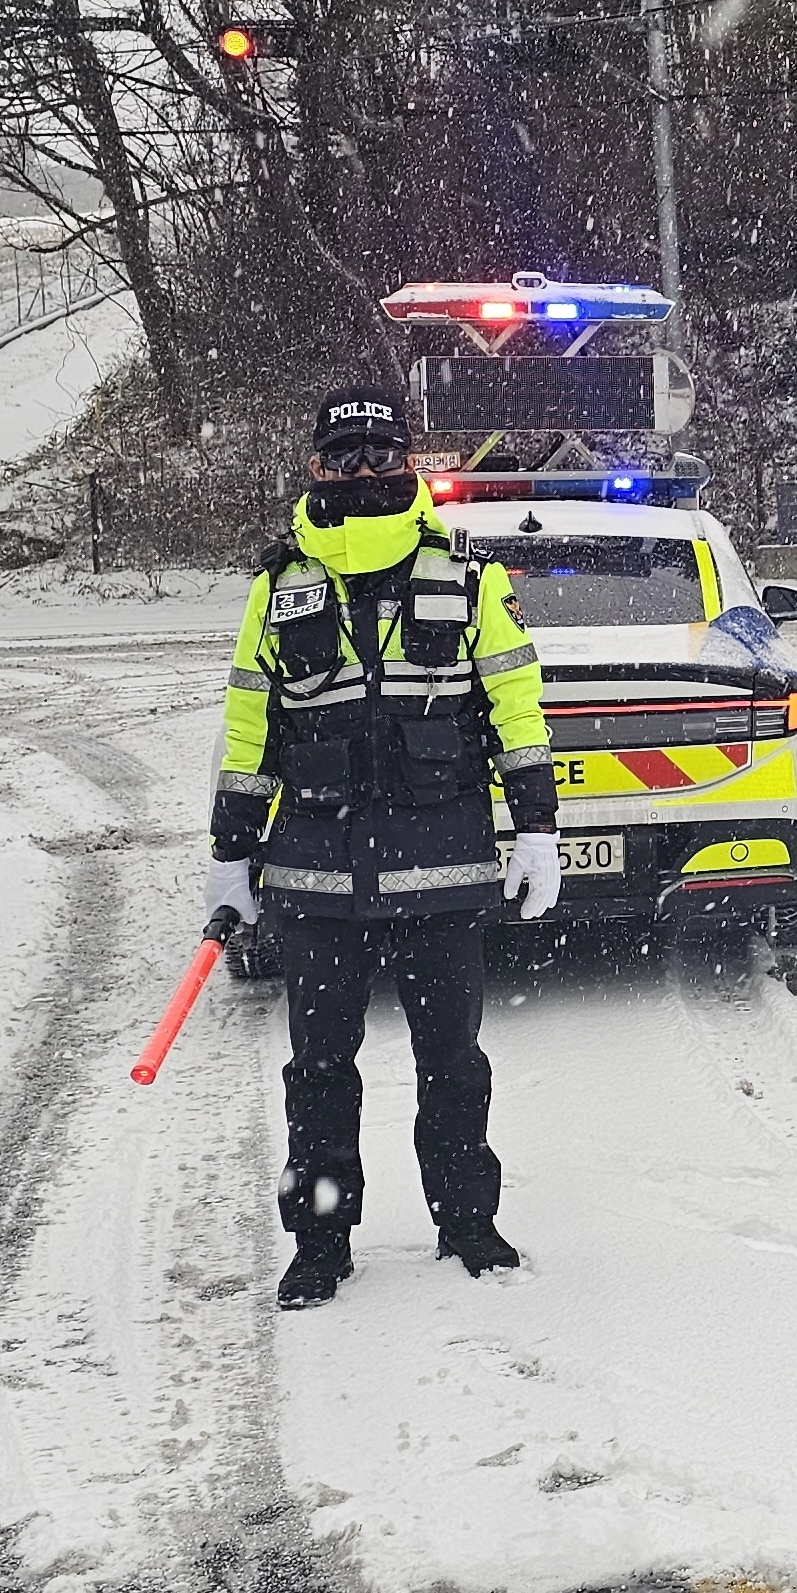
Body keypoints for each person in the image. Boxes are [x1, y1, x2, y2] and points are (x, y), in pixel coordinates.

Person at [206, 385, 562, 1307]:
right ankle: (320, 1242)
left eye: (381, 456)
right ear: (316, 468)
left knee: (454, 1066)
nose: (365, 474)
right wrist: (229, 851)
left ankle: (467, 1224)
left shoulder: (470, 575)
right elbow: (250, 726)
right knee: (319, 1075)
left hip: (443, 876)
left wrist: (536, 828)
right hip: (315, 883)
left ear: (411, 464)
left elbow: (519, 713)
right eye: (344, 458)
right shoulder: (277, 589)